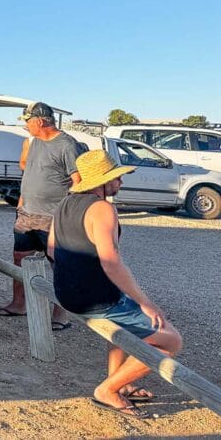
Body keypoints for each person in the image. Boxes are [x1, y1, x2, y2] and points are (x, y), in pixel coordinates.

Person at [49, 150, 182, 420]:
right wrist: (147, 303)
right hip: (96, 299)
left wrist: (75, 277)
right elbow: (111, 262)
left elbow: (51, 250)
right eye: (115, 178)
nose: (120, 183)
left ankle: (121, 381)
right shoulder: (102, 208)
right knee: (171, 341)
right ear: (101, 182)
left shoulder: (64, 204)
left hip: (66, 294)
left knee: (125, 314)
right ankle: (108, 390)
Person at [0, 101, 84, 329]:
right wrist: (21, 204)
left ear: (40, 121)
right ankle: (18, 304)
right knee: (19, 258)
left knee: (60, 265)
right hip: (27, 214)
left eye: (28, 121)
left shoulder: (67, 145)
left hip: (54, 217)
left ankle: (60, 315)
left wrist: (69, 214)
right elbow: (29, 173)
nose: (25, 126)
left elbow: (79, 182)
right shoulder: (34, 142)